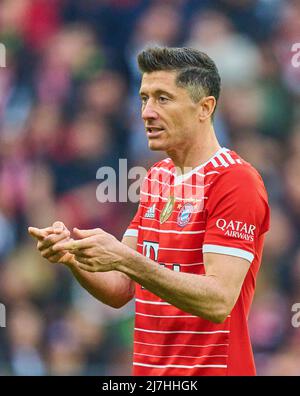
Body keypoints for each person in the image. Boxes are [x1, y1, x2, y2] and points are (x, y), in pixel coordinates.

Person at [29, 47, 270, 376]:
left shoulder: (234, 181)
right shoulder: (159, 177)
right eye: (144, 98)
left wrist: (125, 259)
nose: (147, 112)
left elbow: (218, 301)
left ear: (204, 108)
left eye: (163, 99)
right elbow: (120, 288)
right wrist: (72, 256)